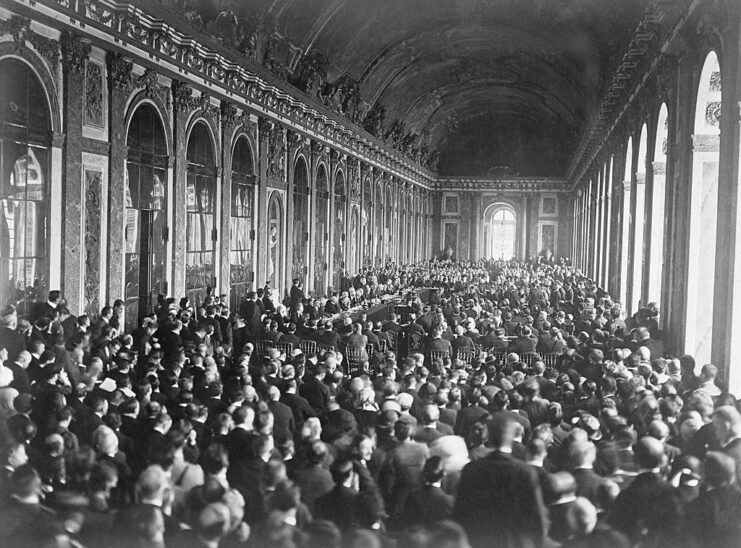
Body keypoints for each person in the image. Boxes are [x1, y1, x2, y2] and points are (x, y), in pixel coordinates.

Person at [454, 413, 548, 548]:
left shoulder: (471, 470)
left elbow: (460, 516)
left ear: (489, 436)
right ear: (512, 436)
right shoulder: (525, 472)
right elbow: (538, 522)